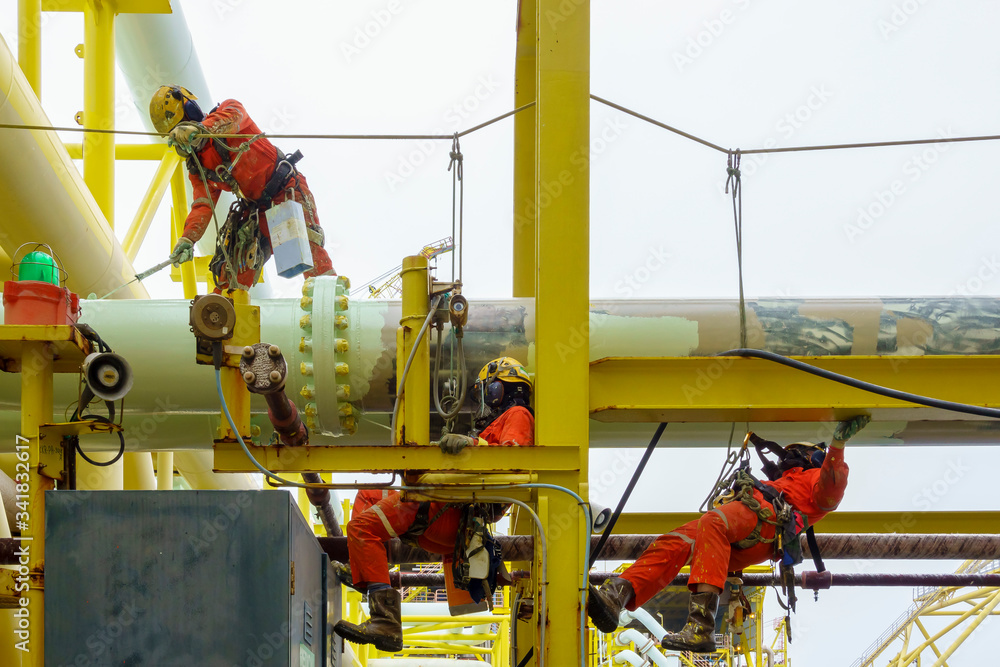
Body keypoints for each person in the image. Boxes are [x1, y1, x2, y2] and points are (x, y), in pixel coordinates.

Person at [587, 414, 871, 653]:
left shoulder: (814, 481)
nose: (788, 458)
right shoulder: (782, 480)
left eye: (795, 453)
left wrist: (838, 445)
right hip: (739, 528)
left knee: (713, 522)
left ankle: (701, 627)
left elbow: (831, 491)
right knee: (675, 542)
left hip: (765, 524)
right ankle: (617, 596)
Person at [334, 357, 534, 652]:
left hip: (447, 513)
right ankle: (364, 573)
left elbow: (513, 468)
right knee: (369, 493)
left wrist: (473, 445)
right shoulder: (499, 424)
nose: (484, 402)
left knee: (362, 528)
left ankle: (386, 624)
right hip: (444, 512)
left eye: (485, 393)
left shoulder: (518, 414)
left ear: (498, 389)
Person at [148, 85, 335, 290]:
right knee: (231, 270)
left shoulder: (229, 110)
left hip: (284, 191)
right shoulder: (198, 165)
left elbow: (232, 119)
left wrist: (200, 130)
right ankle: (221, 315)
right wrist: (188, 238)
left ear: (192, 109)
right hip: (256, 210)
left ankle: (333, 302)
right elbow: (203, 204)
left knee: (308, 250)